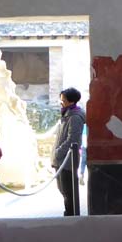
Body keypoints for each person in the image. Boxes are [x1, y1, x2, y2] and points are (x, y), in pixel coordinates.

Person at [52, 87, 86, 216]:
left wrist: (58, 152)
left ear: (71, 101)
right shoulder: (67, 114)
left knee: (68, 191)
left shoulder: (75, 117)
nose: (61, 102)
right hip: (62, 159)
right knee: (63, 190)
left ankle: (70, 216)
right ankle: (69, 214)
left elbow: (72, 139)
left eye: (63, 100)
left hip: (67, 160)